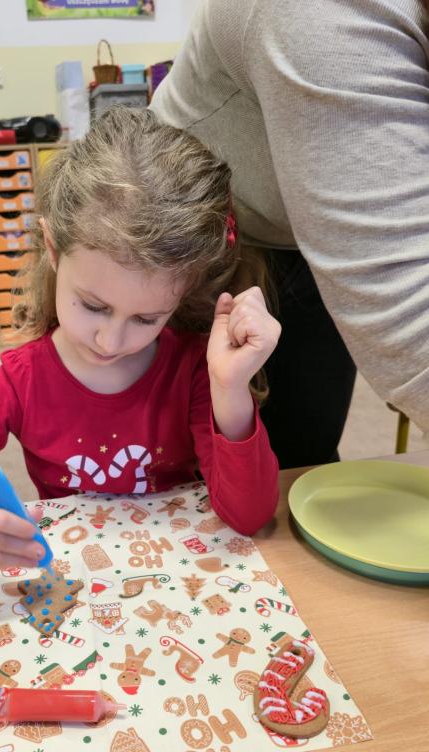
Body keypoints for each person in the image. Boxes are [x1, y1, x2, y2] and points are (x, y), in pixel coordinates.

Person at [0, 107, 281, 573]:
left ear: (183, 294)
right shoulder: (17, 385)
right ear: (52, 248)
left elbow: (249, 516)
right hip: (76, 582)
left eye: (146, 318)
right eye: (93, 306)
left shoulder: (192, 370)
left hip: (173, 576)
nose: (110, 340)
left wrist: (229, 388)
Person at [151, 0, 429, 468]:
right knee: (181, 462)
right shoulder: (322, 15)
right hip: (196, 238)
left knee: (300, 456)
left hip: (298, 233)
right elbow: (408, 328)